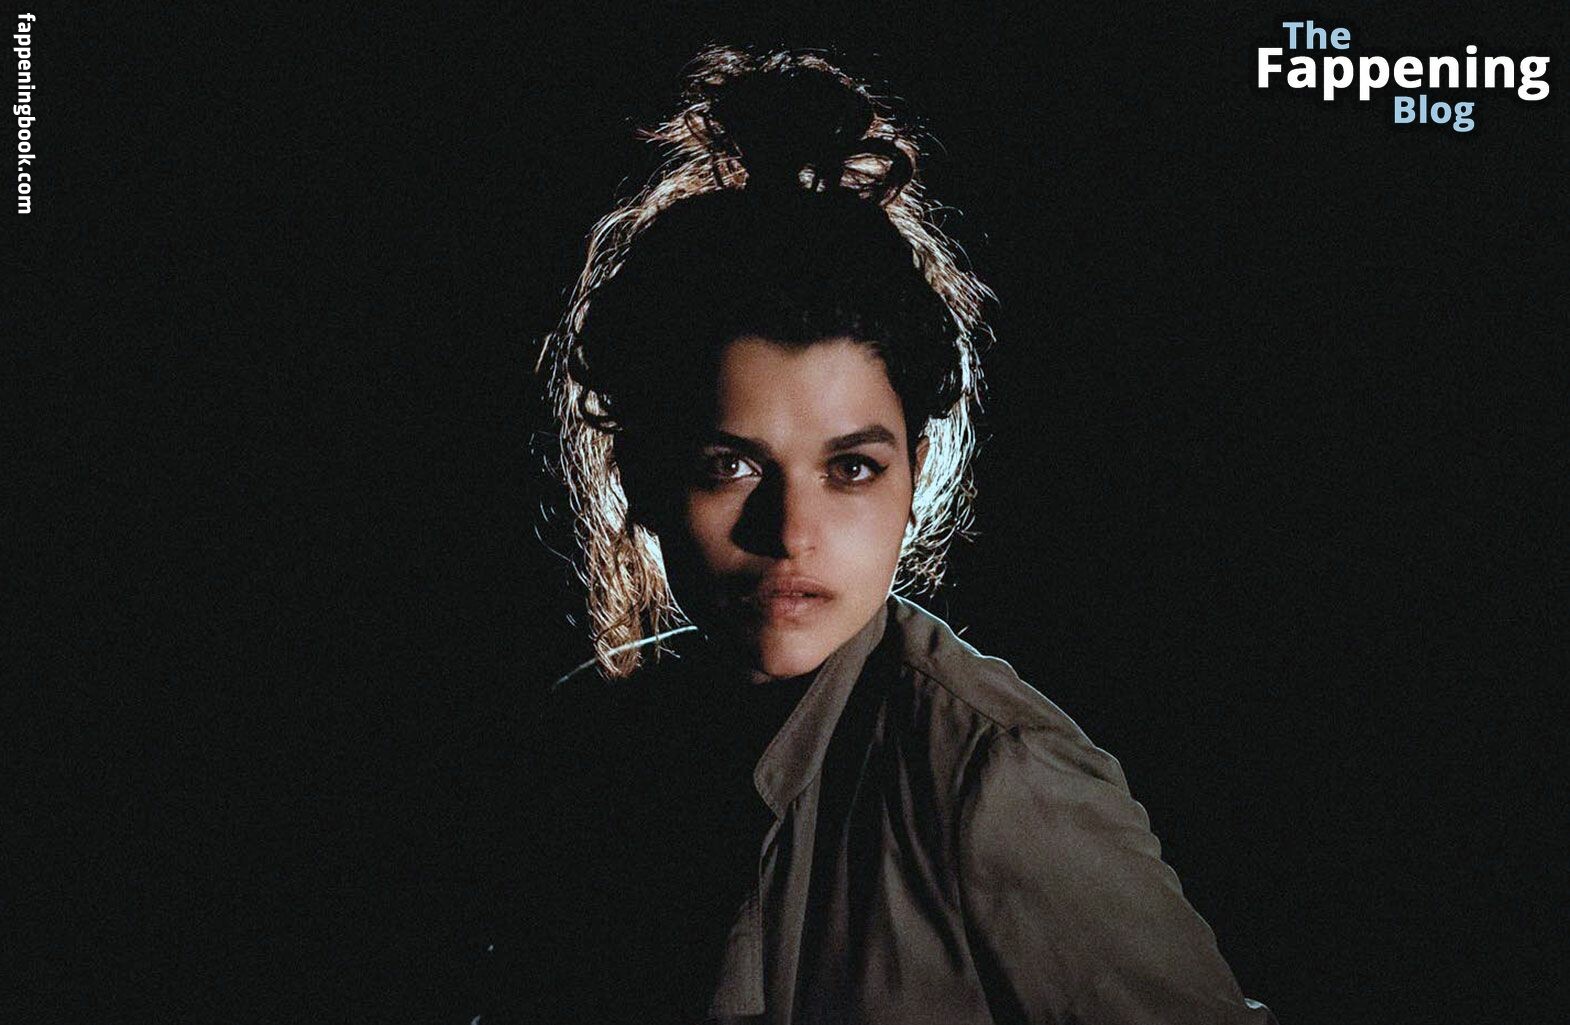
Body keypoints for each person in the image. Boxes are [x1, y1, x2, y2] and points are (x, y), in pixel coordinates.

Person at [473, 43, 1278, 1024]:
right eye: (729, 464)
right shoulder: (587, 759)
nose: (790, 531)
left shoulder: (994, 779)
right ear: (638, 475)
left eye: (850, 467)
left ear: (914, 477)